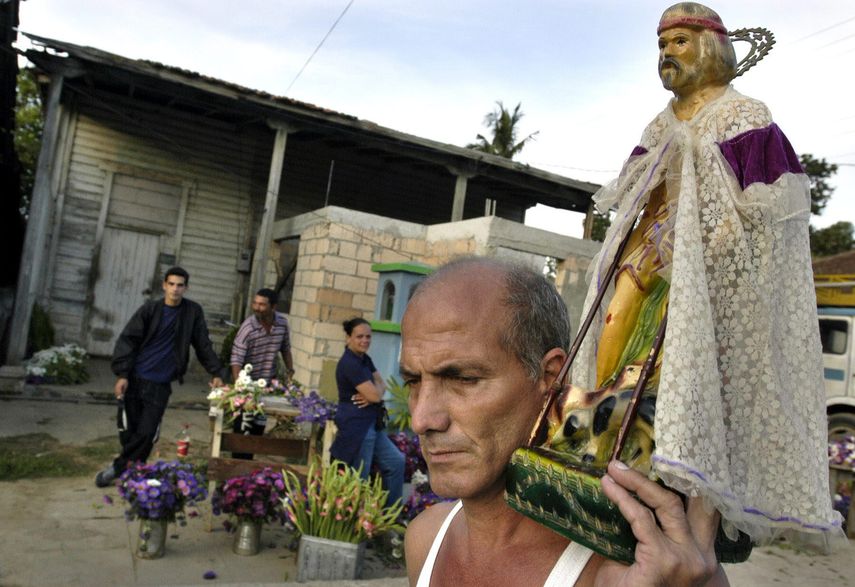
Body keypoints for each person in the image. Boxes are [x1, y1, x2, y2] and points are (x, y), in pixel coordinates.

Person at [552, 1, 844, 552]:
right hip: (653, 253)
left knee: (698, 380)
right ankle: (599, 440)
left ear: (709, 46)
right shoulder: (662, 121)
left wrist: (711, 253)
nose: (667, 55)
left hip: (712, 271)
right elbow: (638, 190)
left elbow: (771, 210)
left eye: (679, 42)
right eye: (662, 46)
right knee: (610, 331)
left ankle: (691, 515)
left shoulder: (745, 117)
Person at [401, 258, 726, 586]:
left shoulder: (648, 571)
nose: (422, 419)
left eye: (464, 379)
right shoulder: (426, 540)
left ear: (550, 375)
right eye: (412, 381)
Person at [95, 266, 225, 487]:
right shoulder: (150, 310)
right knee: (129, 431)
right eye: (171, 284)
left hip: (160, 384)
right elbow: (128, 340)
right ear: (164, 285)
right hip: (136, 378)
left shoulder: (192, 312)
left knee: (147, 433)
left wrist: (216, 372)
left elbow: (202, 344)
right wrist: (123, 374)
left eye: (180, 285)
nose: (175, 289)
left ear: (186, 288)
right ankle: (132, 471)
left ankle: (119, 468)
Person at [329, 318, 404, 508]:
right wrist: (374, 394)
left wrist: (374, 394)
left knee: (396, 462)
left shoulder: (364, 359)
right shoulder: (350, 363)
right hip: (356, 426)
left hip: (371, 423)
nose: (365, 340)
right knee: (360, 476)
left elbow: (381, 386)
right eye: (359, 336)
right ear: (348, 338)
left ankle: (390, 515)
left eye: (368, 336)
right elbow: (376, 394)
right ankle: (356, 521)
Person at [228, 287, 295, 458]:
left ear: (273, 307)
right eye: (255, 303)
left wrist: (290, 371)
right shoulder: (248, 327)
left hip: (266, 385)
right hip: (247, 386)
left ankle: (250, 469)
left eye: (262, 305)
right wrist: (239, 386)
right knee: (243, 429)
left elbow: (285, 348)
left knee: (258, 428)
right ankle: (236, 468)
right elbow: (236, 357)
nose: (257, 308)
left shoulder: (281, 324)